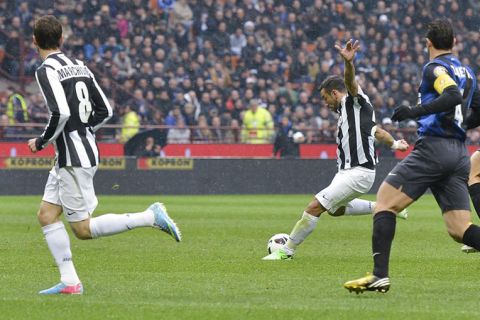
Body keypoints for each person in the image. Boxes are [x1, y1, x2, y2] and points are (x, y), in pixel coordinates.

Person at [28, 16, 181, 295]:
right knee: (47, 214)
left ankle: (149, 217)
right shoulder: (80, 66)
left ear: (34, 41)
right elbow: (106, 111)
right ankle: (70, 282)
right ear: (62, 39)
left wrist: (41, 140)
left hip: (73, 159)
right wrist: (83, 132)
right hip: (78, 152)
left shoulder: (45, 69)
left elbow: (60, 112)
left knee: (82, 230)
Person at [344, 19, 479, 294]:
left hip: (433, 149)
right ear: (454, 43)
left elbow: (451, 95)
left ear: (427, 43)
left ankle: (379, 276)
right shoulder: (468, 72)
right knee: (459, 228)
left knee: (385, 202)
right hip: (458, 152)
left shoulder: (435, 68)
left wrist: (414, 111)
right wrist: (461, 125)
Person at [262, 39, 409, 261]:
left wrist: (348, 64)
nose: (325, 104)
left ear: (335, 93)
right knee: (335, 209)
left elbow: (349, 83)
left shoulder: (354, 101)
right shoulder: (350, 114)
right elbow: (377, 131)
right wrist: (394, 143)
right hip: (348, 172)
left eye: (325, 98)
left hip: (359, 171)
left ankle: (286, 251)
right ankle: (386, 207)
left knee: (314, 207)